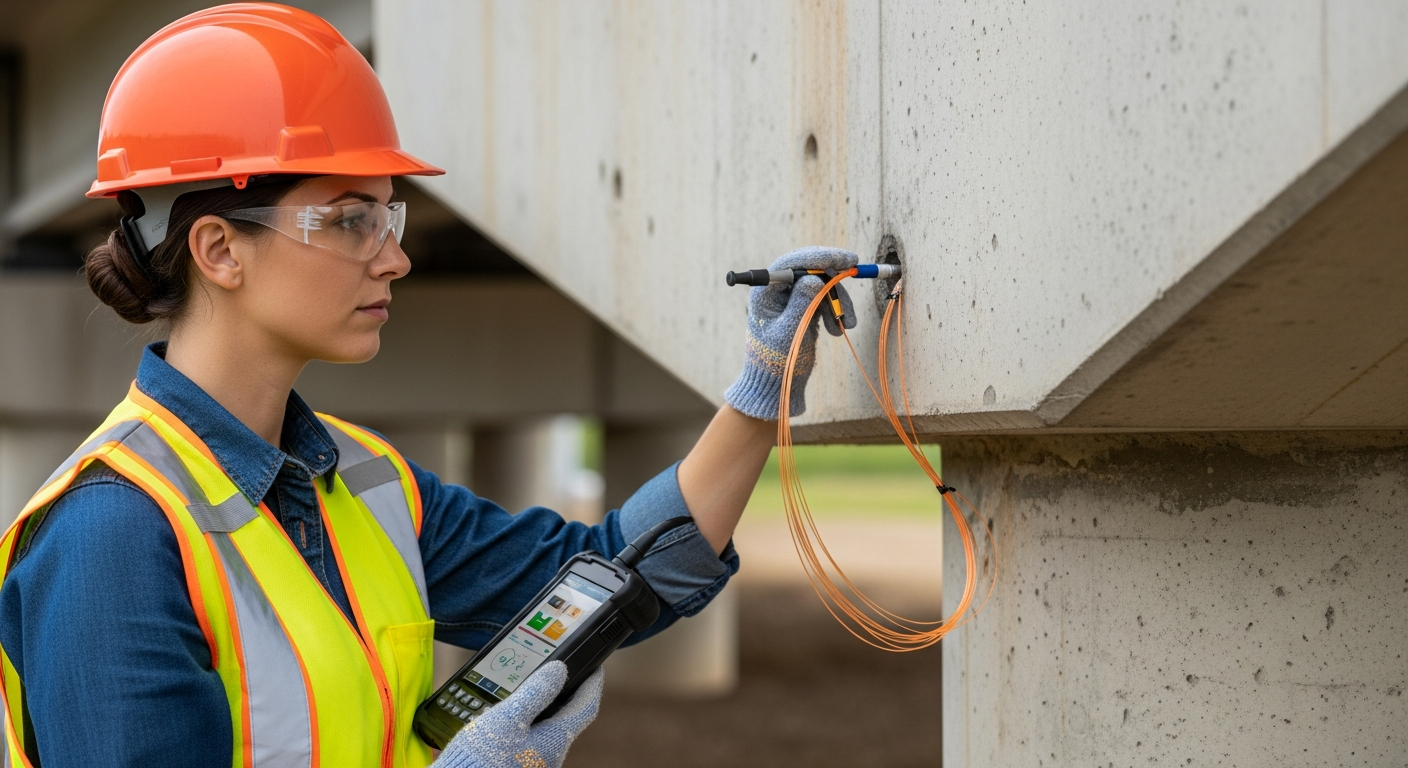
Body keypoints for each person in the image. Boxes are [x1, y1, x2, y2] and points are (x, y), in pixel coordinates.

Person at [0, 5, 856, 768]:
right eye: (349, 220)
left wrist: (759, 392)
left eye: (389, 215)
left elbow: (611, 579)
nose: (396, 256)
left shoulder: (369, 485)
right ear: (219, 250)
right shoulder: (109, 537)